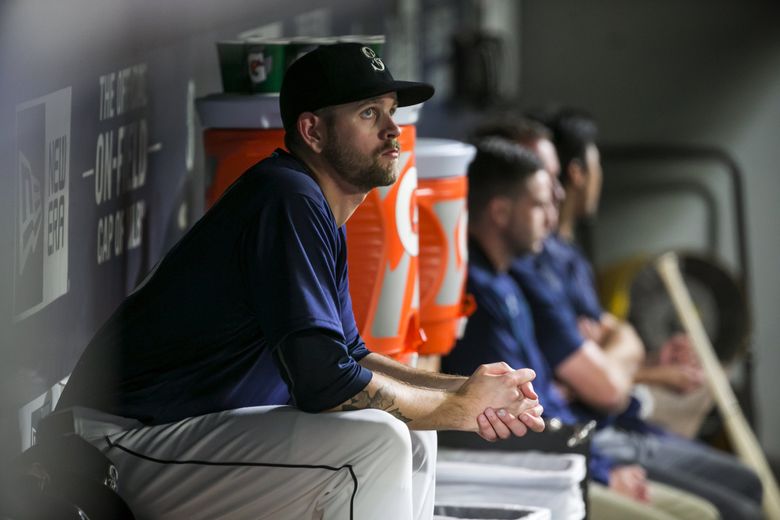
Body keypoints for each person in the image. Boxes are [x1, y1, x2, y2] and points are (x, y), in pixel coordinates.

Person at [53, 43, 544, 520]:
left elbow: (349, 355)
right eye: (369, 114)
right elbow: (323, 382)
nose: (394, 129)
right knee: (376, 442)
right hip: (109, 449)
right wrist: (458, 410)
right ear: (312, 130)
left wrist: (466, 392)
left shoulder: (315, 207)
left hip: (174, 439)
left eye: (391, 111)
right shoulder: (287, 196)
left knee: (412, 430)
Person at [442, 136, 720, 520]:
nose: (551, 218)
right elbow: (521, 415)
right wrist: (606, 471)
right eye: (539, 205)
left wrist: (603, 463)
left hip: (571, 448)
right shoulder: (479, 292)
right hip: (526, 465)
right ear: (501, 212)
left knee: (703, 511)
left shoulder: (506, 284)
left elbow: (548, 403)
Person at [509, 109, 763, 519]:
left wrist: (620, 354)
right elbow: (592, 385)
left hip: (606, 421)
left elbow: (618, 338)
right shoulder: (524, 272)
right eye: (544, 180)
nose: (554, 194)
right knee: (733, 507)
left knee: (746, 483)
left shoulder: (565, 256)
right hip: (592, 432)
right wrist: (641, 371)